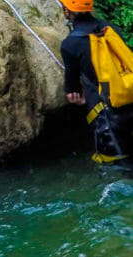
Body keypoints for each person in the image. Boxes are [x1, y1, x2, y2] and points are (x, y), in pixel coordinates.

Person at [59, 0, 133, 169]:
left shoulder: (70, 44)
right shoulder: (111, 29)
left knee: (120, 170)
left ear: (67, 11)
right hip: (131, 100)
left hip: (108, 118)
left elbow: (72, 93)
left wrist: (79, 98)